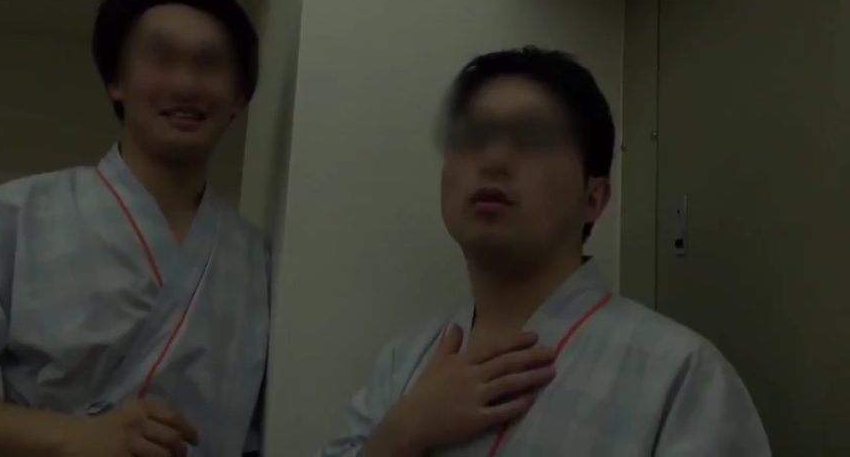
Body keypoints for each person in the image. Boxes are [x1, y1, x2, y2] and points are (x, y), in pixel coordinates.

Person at [317, 47, 771, 456]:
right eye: (472, 137)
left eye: (533, 139)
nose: (493, 159)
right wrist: (400, 434)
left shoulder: (681, 374)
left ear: (594, 198)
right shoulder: (404, 361)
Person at [0, 0, 269, 457]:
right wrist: (73, 436)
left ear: (239, 97)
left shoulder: (259, 260)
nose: (185, 82)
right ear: (117, 82)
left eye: (209, 64)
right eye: (161, 59)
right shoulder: (15, 216)